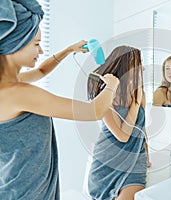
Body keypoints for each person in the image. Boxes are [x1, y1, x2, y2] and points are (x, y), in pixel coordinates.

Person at [0, 1, 119, 199]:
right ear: (15, 44)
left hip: (14, 186)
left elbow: (40, 71)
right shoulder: (19, 93)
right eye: (36, 44)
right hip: (27, 193)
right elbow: (93, 111)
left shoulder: (8, 85)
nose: (41, 51)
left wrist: (69, 50)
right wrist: (112, 85)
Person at [87, 45, 150, 200]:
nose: (142, 69)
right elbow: (123, 136)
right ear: (126, 68)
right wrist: (135, 104)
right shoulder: (106, 96)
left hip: (135, 161)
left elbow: (141, 127)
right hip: (107, 162)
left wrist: (147, 154)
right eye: (138, 65)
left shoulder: (141, 93)